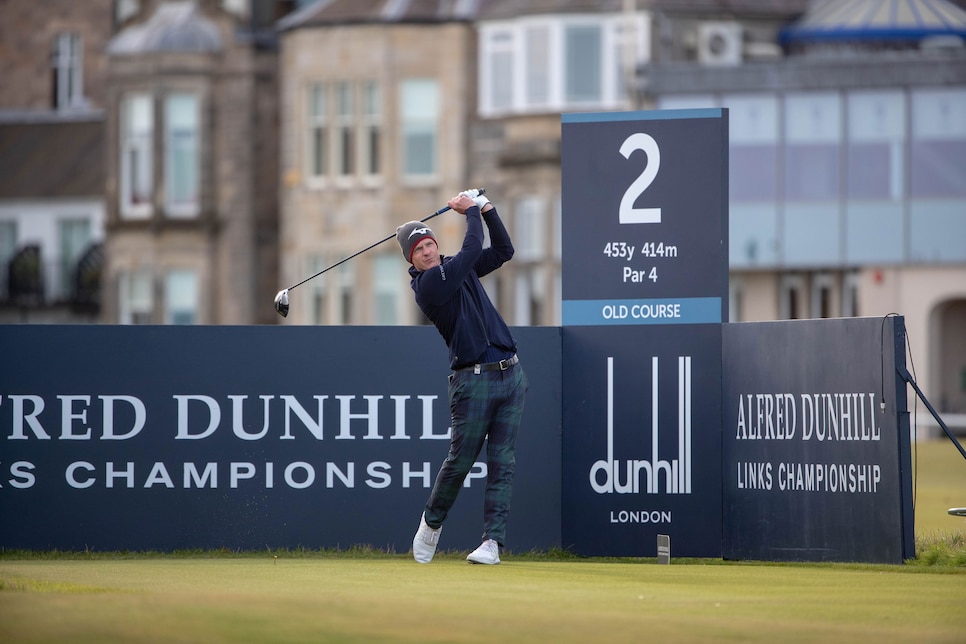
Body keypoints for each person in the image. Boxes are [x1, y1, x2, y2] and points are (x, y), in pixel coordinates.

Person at [395, 189, 528, 565]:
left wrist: (487, 210)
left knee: (503, 461)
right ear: (411, 259)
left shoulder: (454, 266)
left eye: (429, 243)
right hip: (472, 382)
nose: (427, 250)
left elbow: (503, 252)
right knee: (460, 462)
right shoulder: (429, 286)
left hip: (511, 375)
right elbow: (471, 251)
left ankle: (492, 543)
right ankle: (431, 525)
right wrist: (470, 212)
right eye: (418, 249)